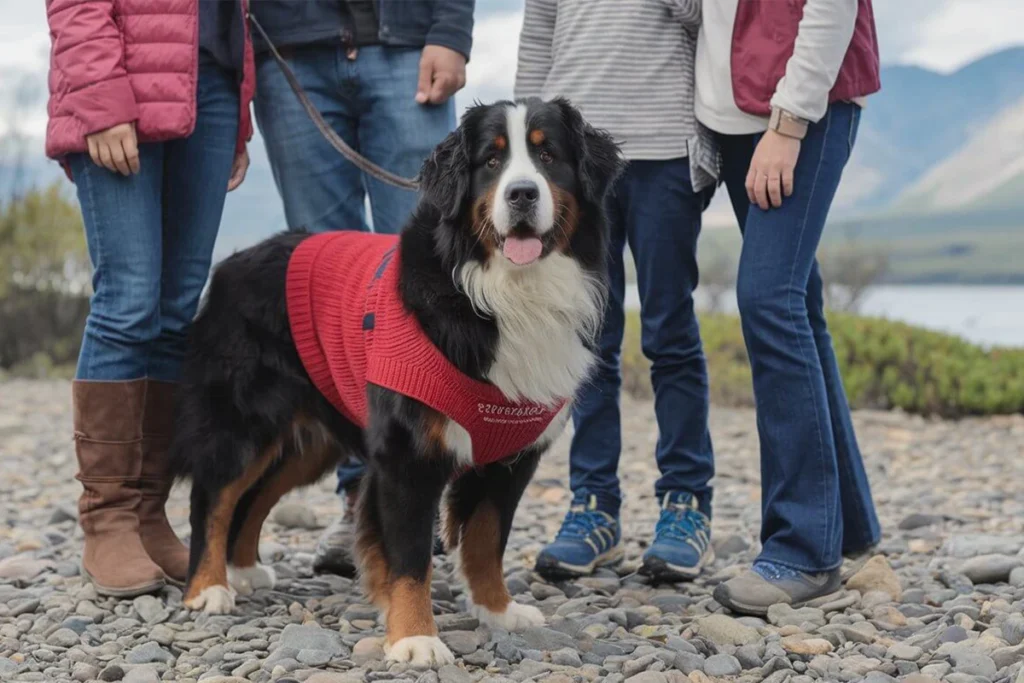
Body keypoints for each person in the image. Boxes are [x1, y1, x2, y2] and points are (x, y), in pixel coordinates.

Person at [249, 0, 474, 576]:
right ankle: (361, 499)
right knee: (326, 302)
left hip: (408, 44)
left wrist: (450, 28)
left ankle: (445, 495)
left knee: (432, 276)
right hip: (290, 50)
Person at [45, 0, 255, 596]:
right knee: (127, 300)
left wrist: (237, 117)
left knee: (177, 308)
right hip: (123, 78)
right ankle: (106, 518)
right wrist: (102, 98)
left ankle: (146, 511)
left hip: (212, 85)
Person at [515, 0, 720, 582]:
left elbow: (703, 16)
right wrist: (529, 155)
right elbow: (537, 38)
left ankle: (686, 505)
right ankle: (593, 509)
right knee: (589, 339)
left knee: (670, 332)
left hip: (664, 151)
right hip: (572, 159)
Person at [694, 0, 882, 613]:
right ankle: (847, 524)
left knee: (768, 298)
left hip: (800, 111)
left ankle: (802, 551)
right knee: (797, 299)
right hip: (729, 119)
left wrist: (790, 122)